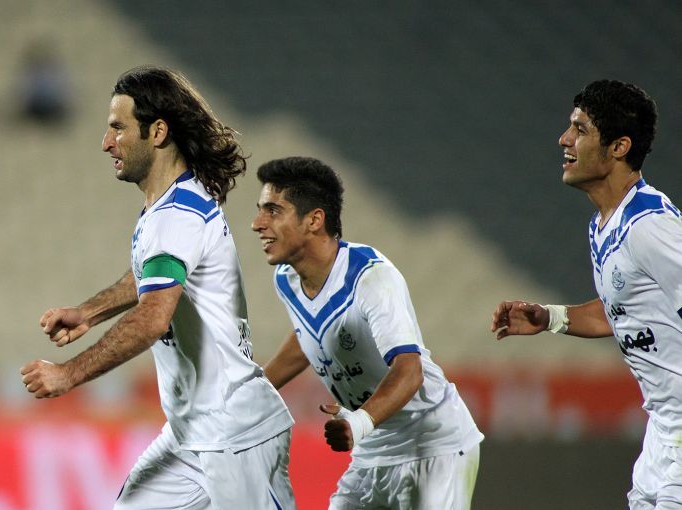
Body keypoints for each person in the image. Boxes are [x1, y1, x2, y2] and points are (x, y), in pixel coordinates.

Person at [20, 66, 296, 510]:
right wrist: (89, 311)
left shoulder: (177, 215)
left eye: (118, 128)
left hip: (235, 434)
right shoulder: (168, 206)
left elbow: (152, 318)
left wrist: (68, 374)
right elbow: (153, 278)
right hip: (191, 435)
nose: (106, 142)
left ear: (158, 132)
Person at [491, 79, 682, 509]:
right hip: (662, 431)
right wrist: (550, 317)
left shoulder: (650, 226)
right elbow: (624, 310)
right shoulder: (603, 226)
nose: (564, 139)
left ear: (619, 147)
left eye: (580, 129)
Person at [251, 156, 484, 510]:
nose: (257, 223)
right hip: (372, 451)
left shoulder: (371, 277)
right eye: (260, 210)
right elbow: (309, 335)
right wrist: (252, 391)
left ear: (314, 220)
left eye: (273, 210)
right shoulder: (286, 280)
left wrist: (357, 423)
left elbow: (409, 370)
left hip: (432, 446)